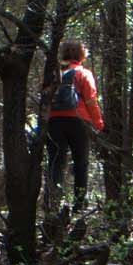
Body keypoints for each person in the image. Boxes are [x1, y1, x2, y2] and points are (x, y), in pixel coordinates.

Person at [43, 38, 104, 212]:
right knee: (80, 162)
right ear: (82, 55)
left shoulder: (54, 73)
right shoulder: (83, 74)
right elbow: (91, 100)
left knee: (55, 162)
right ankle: (79, 205)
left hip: (54, 121)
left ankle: (52, 203)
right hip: (78, 121)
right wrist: (98, 122)